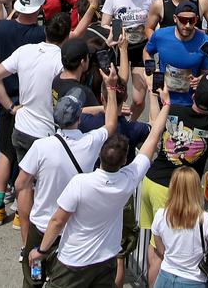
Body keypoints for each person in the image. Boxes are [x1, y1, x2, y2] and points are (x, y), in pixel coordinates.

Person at [32, 105, 169, 288]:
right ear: (123, 161)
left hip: (73, 261)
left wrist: (42, 250)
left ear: (100, 154)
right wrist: (167, 104)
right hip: (106, 259)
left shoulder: (80, 183)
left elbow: (57, 220)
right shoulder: (128, 179)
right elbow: (152, 138)